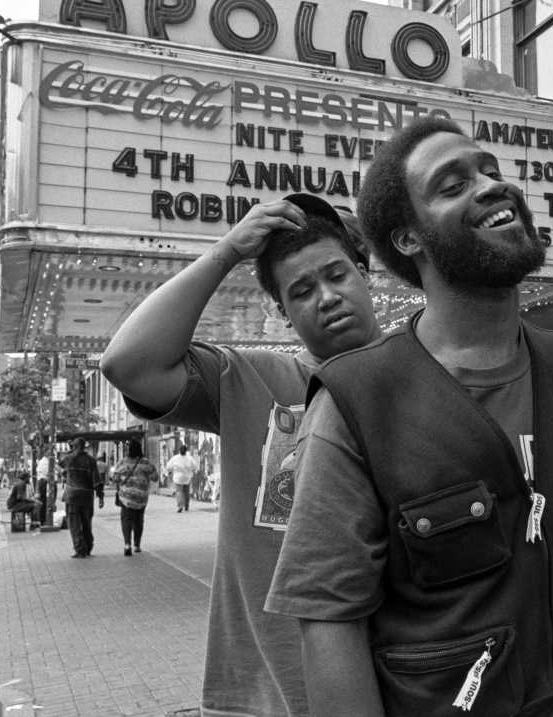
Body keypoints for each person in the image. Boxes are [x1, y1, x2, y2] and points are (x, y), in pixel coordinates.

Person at [265, 117, 553, 717]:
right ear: (407, 240)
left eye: (490, 171)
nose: (490, 186)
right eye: (451, 186)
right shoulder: (355, 403)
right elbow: (328, 623)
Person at [101, 193, 381, 717]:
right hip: (260, 694)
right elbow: (128, 364)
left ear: (367, 275)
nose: (326, 297)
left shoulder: (422, 383)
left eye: (338, 275)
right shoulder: (247, 380)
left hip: (398, 687)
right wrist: (226, 251)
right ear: (283, 312)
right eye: (301, 290)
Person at [111, 440, 158, 556]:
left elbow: (115, 479)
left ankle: (127, 545)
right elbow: (155, 477)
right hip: (141, 498)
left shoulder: (122, 462)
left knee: (126, 520)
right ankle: (137, 545)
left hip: (126, 498)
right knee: (138, 520)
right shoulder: (145, 463)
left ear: (128, 450)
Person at [61, 437, 103, 558]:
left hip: (72, 496)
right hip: (87, 496)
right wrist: (100, 496)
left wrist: (71, 450)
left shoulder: (69, 459)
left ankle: (80, 549)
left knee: (74, 524)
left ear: (74, 447)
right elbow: (96, 480)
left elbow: (60, 464)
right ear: (84, 446)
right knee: (86, 523)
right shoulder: (91, 460)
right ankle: (88, 547)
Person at [165, 445, 199, 512]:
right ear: (186, 451)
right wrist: (192, 470)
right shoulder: (190, 458)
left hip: (178, 478)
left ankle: (180, 506)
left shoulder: (175, 458)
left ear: (179, 450)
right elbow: (195, 466)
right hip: (187, 477)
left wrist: (170, 471)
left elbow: (168, 466)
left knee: (179, 491)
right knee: (186, 492)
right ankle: (186, 506)